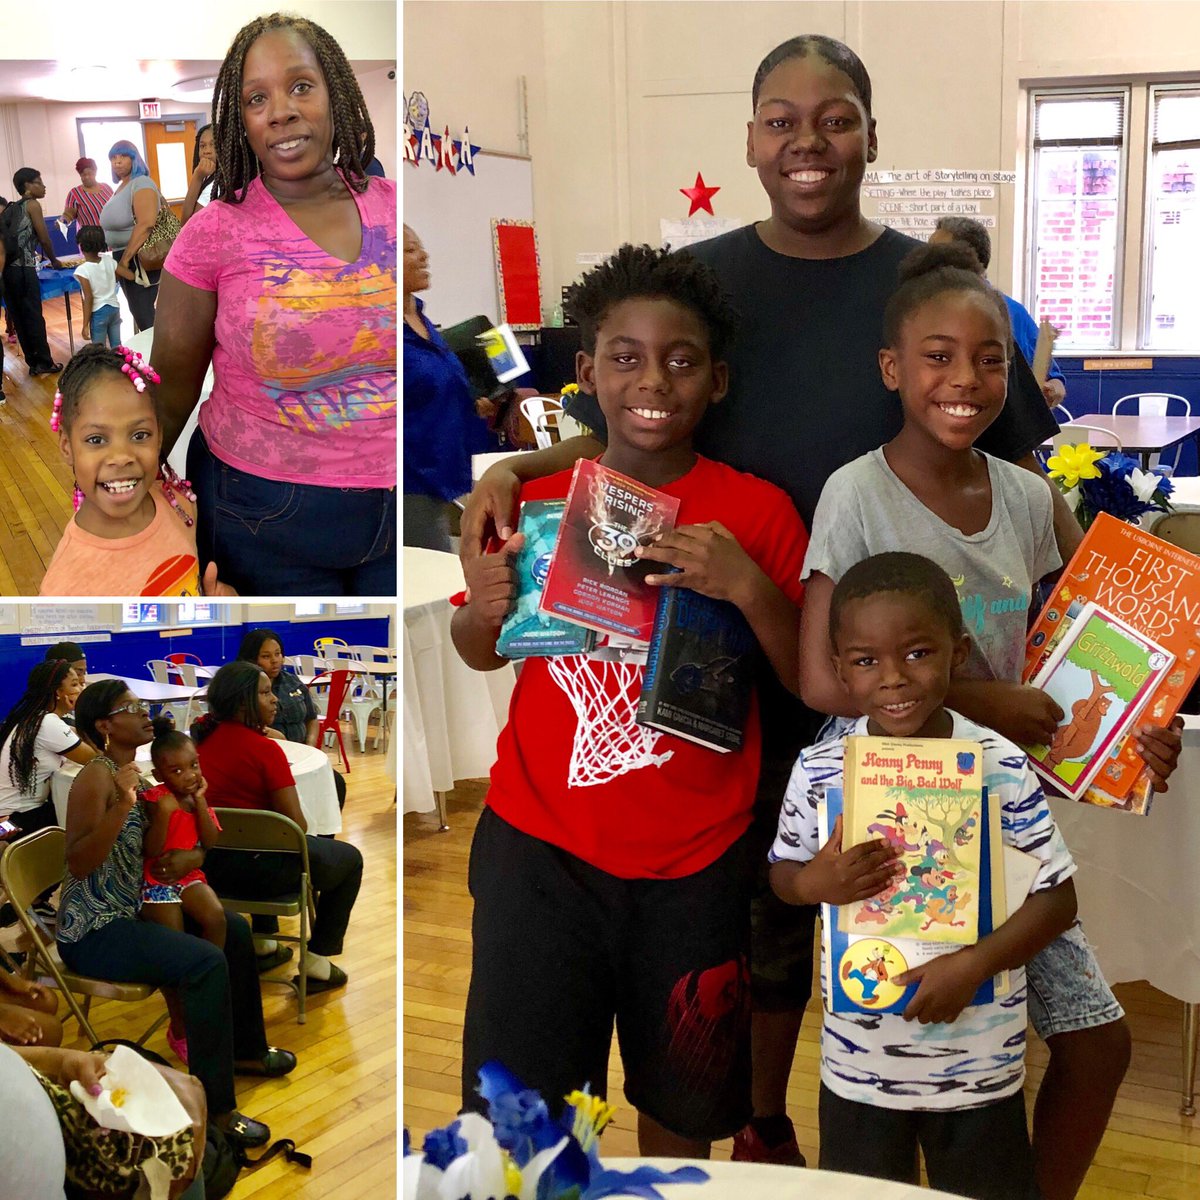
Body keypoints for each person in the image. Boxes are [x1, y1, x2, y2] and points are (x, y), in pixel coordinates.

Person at [461, 34, 1074, 1168]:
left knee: (840, 917)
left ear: (872, 135)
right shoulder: (704, 279)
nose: (808, 143)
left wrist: (1074, 700)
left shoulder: (929, 290)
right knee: (755, 921)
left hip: (875, 668)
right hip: (722, 669)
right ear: (749, 139)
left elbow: (1025, 486)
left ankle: (861, 1121)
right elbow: (630, 431)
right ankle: (766, 1121)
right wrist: (522, 471)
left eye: (835, 119)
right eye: (782, 121)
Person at [796, 242, 1182, 1200]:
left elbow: (1093, 643)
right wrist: (987, 699)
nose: (965, 379)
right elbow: (820, 681)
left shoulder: (1027, 494)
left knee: (1095, 1044)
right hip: (895, 818)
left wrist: (1142, 729)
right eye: (938, 356)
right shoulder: (856, 493)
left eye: (989, 359)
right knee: (909, 1051)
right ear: (892, 368)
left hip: (1008, 817)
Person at [453, 244, 808, 1157]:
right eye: (625, 357)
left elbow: (804, 676)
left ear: (717, 380)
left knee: (684, 1118)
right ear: (587, 372)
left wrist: (744, 583)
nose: (653, 381)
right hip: (539, 852)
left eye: (681, 360)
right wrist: (482, 610)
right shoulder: (536, 500)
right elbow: (480, 648)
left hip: (698, 865)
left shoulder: (757, 513)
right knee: (523, 1125)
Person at [771, 552, 1077, 1197]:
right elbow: (783, 875)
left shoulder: (999, 765)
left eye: (917, 653)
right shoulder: (821, 769)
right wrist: (812, 884)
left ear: (957, 653)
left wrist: (972, 966)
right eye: (865, 661)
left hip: (979, 1062)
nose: (893, 679)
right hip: (860, 1062)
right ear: (839, 669)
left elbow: (1057, 899)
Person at [152, 13, 397, 595]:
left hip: (395, 511)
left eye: (300, 86)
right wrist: (131, 507)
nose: (281, 111)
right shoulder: (215, 232)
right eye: (256, 99)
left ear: (334, 94)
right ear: (242, 122)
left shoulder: (393, 206)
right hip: (260, 515)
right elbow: (171, 389)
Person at [57, 680, 295, 1149]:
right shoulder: (97, 778)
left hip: (132, 908)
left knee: (236, 932)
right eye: (130, 707)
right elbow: (78, 861)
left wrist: (194, 858)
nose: (144, 712)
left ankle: (246, 1051)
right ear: (104, 725)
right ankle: (216, 1109)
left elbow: (169, 844)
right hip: (93, 928)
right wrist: (123, 804)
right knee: (204, 963)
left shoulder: (136, 774)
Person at [193, 661, 363, 992]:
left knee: (257, 841)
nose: (275, 700)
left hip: (212, 868)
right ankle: (316, 963)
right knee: (349, 859)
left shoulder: (200, 746)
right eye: (265, 693)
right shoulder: (266, 750)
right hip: (265, 873)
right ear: (242, 703)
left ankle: (263, 943)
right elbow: (295, 826)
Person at [40, 342, 232, 597]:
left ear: (159, 437)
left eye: (140, 435)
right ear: (67, 446)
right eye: (96, 439)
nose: (121, 457)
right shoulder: (64, 588)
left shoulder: (179, 505)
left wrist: (213, 602)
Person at [403, 224, 492, 550]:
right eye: (410, 250)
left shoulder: (421, 319)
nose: (424, 256)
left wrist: (473, 402)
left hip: (441, 477)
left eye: (421, 247)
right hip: (408, 484)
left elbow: (430, 388)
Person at [930, 215, 1067, 409]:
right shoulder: (924, 312)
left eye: (937, 255)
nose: (927, 262)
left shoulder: (1012, 313)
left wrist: (1051, 391)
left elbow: (1055, 382)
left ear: (970, 259)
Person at [237, 627, 347, 809]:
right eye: (266, 656)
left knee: (336, 783)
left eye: (278, 654)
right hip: (270, 760)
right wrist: (271, 734)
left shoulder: (292, 681)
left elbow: (311, 718)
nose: (275, 660)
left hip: (302, 754)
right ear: (251, 659)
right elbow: (239, 725)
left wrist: (310, 747)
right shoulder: (244, 687)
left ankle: (324, 826)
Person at [0, 660, 96, 836]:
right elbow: (95, 759)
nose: (81, 689)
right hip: (15, 821)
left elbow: (78, 736)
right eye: (74, 684)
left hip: (11, 815)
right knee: (83, 822)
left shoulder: (34, 719)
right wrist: (83, 712)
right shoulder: (47, 722)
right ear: (58, 692)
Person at [0, 167, 64, 376]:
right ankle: (45, 362)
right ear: (27, 186)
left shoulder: (13, 208)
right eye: (39, 182)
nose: (44, 187)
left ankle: (33, 363)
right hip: (24, 270)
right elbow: (44, 238)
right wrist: (54, 260)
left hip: (8, 271)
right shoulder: (32, 205)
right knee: (34, 316)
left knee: (19, 317)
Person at [98, 141, 163, 333]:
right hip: (125, 255)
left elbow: (146, 223)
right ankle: (151, 348)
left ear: (134, 159)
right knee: (140, 312)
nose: (117, 162)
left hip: (138, 256)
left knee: (144, 314)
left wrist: (125, 260)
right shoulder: (122, 186)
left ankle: (158, 349)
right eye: (113, 158)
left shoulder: (141, 182)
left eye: (123, 156)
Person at [73, 224, 122, 348]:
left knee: (98, 349)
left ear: (81, 246)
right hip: (114, 309)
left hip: (98, 312)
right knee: (117, 347)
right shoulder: (108, 260)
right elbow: (129, 275)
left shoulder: (82, 270)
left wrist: (85, 324)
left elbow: (88, 298)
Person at [60, 156, 114, 231]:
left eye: (90, 173)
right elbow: (68, 214)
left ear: (95, 172)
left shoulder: (107, 188)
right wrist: (63, 221)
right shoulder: (75, 193)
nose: (87, 177)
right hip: (89, 237)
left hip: (111, 234)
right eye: (83, 174)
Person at [181, 124, 215, 226]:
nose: (207, 151)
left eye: (214, 145)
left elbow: (187, 224)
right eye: (202, 146)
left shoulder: (216, 186)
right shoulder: (208, 176)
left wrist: (197, 177)